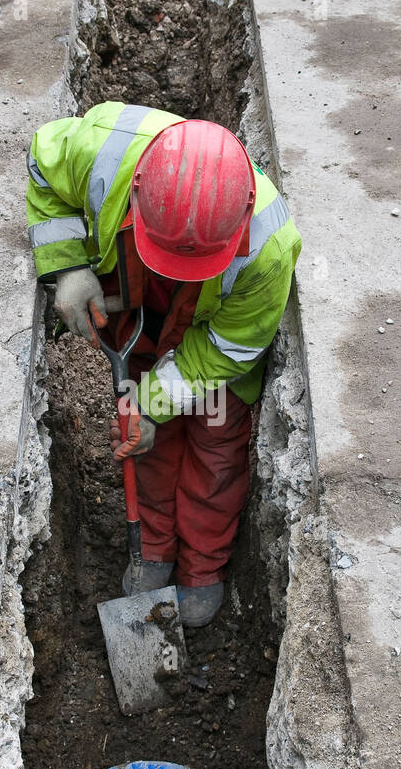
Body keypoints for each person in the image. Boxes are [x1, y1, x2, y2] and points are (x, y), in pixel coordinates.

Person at [26, 101, 300, 628]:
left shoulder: (268, 247)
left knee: (215, 455)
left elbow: (228, 348)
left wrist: (152, 403)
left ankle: (202, 569)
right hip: (146, 314)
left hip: (216, 345)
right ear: (136, 193)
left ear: (241, 219)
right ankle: (153, 551)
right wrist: (67, 266)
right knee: (148, 449)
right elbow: (42, 164)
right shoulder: (102, 149)